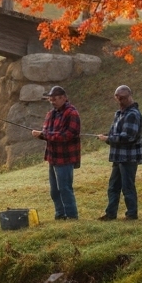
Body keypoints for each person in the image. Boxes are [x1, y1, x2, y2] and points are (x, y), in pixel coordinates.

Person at [30, 85, 81, 220]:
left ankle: (71, 215)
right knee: (54, 190)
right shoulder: (51, 114)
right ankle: (60, 214)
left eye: (55, 99)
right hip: (53, 157)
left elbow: (67, 135)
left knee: (65, 188)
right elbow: (46, 132)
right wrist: (40, 134)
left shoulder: (72, 113)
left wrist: (45, 135)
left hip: (65, 158)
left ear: (63, 98)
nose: (52, 102)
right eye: (50, 99)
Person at [97, 85, 142, 220]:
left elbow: (128, 137)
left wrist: (108, 139)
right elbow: (116, 134)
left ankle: (132, 214)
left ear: (129, 96)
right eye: (117, 98)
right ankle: (110, 213)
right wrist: (107, 136)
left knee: (128, 187)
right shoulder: (119, 114)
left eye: (122, 98)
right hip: (118, 157)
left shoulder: (133, 114)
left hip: (129, 157)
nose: (119, 101)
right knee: (113, 187)